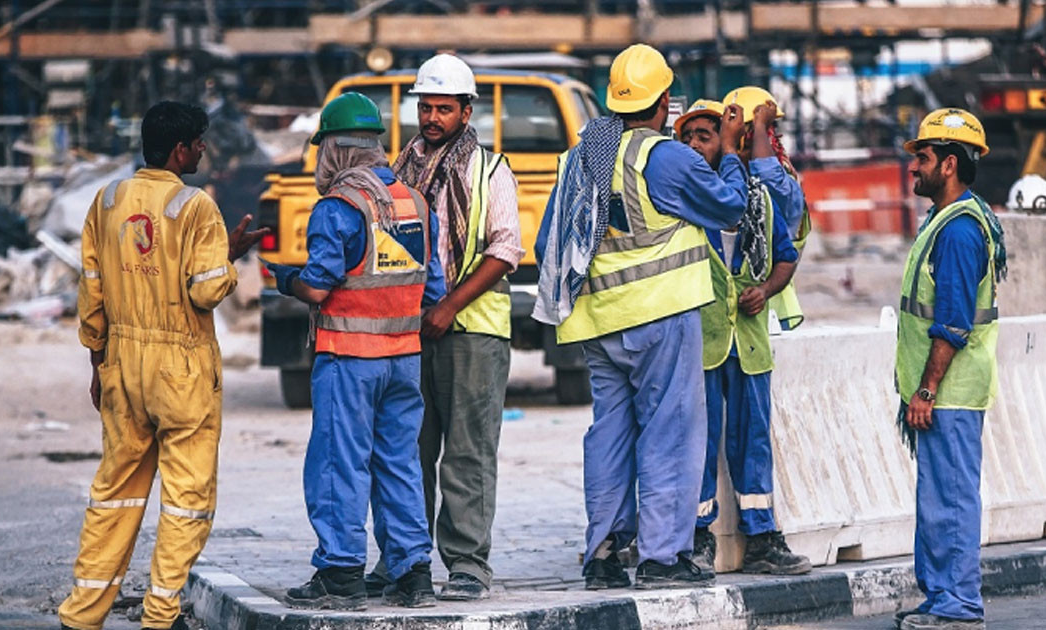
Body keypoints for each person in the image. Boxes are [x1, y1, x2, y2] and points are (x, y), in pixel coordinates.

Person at [532, 44, 748, 590]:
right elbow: (728, 207)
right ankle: (660, 556)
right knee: (670, 432)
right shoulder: (666, 157)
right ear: (665, 102)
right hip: (661, 316)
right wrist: (731, 151)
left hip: (598, 322)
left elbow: (549, 240)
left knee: (610, 434)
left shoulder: (585, 155)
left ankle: (604, 554)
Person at [59, 101, 268, 630]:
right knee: (185, 502)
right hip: (180, 367)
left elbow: (92, 290)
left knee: (114, 494)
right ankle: (160, 615)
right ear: (179, 149)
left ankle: (82, 615)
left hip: (121, 364)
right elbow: (204, 292)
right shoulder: (194, 206)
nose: (202, 149)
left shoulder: (106, 201)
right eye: (198, 142)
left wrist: (96, 364)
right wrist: (230, 254)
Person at [264, 92, 445, 610]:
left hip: (348, 358)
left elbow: (319, 288)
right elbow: (431, 290)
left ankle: (341, 573)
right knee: (399, 463)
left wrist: (287, 282)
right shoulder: (414, 202)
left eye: (323, 150)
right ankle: (413, 574)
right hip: (404, 359)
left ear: (338, 150)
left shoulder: (337, 207)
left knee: (339, 464)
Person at [370, 53, 522, 602]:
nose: (432, 118)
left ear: (465, 110)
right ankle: (403, 560)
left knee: (466, 450)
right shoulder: (398, 171)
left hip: (471, 331)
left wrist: (448, 306)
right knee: (406, 450)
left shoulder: (490, 168)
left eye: (443, 108)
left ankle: (466, 564)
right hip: (408, 332)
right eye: (425, 107)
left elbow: (505, 250)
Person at [676, 96, 811, 576]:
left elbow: (787, 254)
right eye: (687, 137)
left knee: (753, 439)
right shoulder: (683, 199)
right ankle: (695, 538)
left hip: (749, 343)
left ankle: (761, 538)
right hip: (703, 342)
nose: (695, 145)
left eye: (705, 136)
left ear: (723, 142)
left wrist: (767, 289)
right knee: (699, 441)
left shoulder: (759, 198)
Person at [894, 108, 1005, 630]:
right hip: (947, 392)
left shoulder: (959, 231)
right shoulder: (949, 220)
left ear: (950, 165)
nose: (914, 166)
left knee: (953, 500)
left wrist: (927, 390)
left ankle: (957, 604)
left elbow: (954, 322)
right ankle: (942, 597)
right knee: (938, 500)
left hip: (951, 391)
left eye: (924, 157)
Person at [723, 87, 810, 331]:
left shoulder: (785, 187)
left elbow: (767, 178)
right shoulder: (727, 185)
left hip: (771, 312)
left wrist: (759, 127)